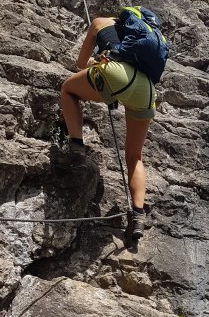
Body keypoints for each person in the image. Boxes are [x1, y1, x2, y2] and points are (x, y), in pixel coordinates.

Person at [60, 17, 157, 240]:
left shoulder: (100, 22)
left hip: (116, 73)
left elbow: (81, 63)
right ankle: (138, 214)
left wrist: (97, 60)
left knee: (67, 90)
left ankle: (76, 147)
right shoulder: (144, 35)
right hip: (147, 88)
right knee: (135, 156)